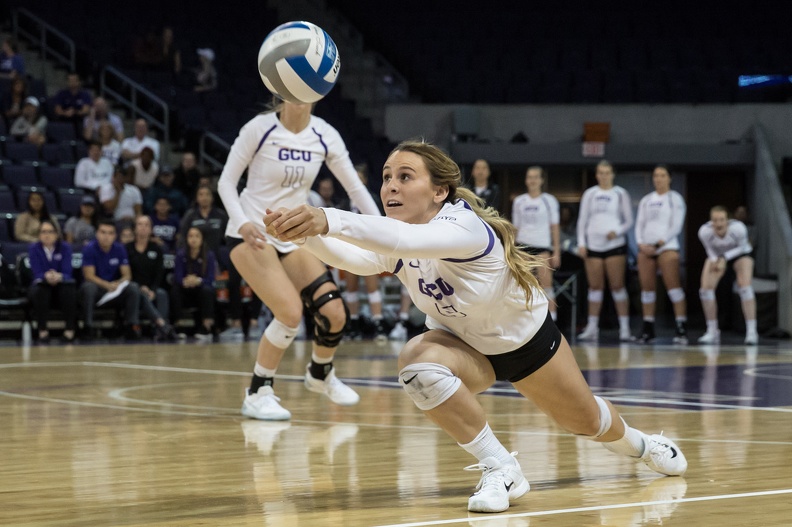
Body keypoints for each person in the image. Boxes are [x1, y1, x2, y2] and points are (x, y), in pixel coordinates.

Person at [264, 140, 687, 513]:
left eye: (405, 176)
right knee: (416, 362)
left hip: (526, 344)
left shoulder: (461, 225)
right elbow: (358, 258)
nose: (390, 185)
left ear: (439, 191)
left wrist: (325, 218)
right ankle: (501, 467)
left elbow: (399, 242)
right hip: (463, 347)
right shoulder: (402, 235)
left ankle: (643, 445)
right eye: (387, 176)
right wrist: (302, 233)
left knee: (588, 423)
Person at [217, 98, 381, 420]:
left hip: (292, 234)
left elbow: (356, 189)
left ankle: (320, 373)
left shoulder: (325, 134)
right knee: (290, 313)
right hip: (250, 231)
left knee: (334, 311)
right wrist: (242, 222)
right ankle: (257, 391)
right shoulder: (260, 128)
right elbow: (225, 182)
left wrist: (383, 231)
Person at [576, 160, 634, 342]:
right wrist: (581, 243)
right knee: (595, 287)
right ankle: (592, 328)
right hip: (593, 245)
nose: (604, 175)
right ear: (596, 175)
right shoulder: (590, 194)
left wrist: (616, 231)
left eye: (607, 172)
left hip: (614, 245)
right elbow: (582, 219)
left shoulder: (620, 193)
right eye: (600, 172)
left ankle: (625, 328)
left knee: (617, 286)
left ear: (613, 174)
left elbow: (629, 221)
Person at [634, 165, 688, 343]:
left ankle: (681, 326)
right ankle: (648, 327)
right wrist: (641, 243)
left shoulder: (675, 198)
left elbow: (676, 225)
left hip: (666, 247)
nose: (658, 179)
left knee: (673, 287)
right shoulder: (647, 200)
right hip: (646, 248)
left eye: (662, 175)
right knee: (647, 289)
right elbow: (640, 224)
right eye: (656, 175)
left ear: (669, 178)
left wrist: (660, 243)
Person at [338, 163, 387, 340]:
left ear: (364, 181)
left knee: (371, 287)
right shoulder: (343, 203)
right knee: (351, 288)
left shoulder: (372, 200)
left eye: (359, 178)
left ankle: (378, 323)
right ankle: (353, 323)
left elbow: (379, 224)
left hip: (368, 249)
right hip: (350, 249)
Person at [697, 205, 758, 345]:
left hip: (740, 254)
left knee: (744, 286)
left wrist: (724, 258)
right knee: (705, 289)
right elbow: (709, 249)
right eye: (715, 220)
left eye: (721, 220)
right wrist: (715, 261)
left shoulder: (738, 229)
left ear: (727, 220)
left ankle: (751, 331)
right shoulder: (704, 232)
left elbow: (743, 247)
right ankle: (712, 331)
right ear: (711, 221)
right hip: (718, 256)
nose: (718, 224)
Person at [511, 166, 561, 321]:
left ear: (541, 180)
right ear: (526, 180)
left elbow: (555, 227)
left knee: (547, 287)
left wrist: (557, 252)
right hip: (523, 248)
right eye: (529, 177)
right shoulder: (519, 201)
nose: (532, 180)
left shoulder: (549, 200)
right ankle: (524, 322)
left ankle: (552, 322)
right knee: (522, 287)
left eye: (535, 177)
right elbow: (515, 228)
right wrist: (511, 251)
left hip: (542, 249)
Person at [79, 219, 141, 340]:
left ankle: (131, 326)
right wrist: (106, 285)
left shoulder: (119, 249)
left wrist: (117, 283)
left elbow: (127, 275)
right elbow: (89, 276)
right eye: (103, 232)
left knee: (133, 287)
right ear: (97, 233)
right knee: (88, 287)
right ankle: (88, 326)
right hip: (98, 289)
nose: (106, 236)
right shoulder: (89, 249)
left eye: (110, 233)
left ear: (115, 235)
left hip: (113, 290)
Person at [125, 215, 176, 340]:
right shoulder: (127, 248)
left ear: (151, 229)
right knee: (138, 292)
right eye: (140, 224)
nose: (143, 227)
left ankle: (158, 329)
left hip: (152, 287)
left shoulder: (156, 249)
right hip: (132, 288)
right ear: (134, 228)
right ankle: (162, 326)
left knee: (162, 294)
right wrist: (140, 287)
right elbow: (125, 272)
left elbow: (160, 273)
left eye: (146, 225)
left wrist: (152, 289)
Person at [27, 220, 77, 343]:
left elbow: (67, 271)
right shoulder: (34, 248)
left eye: (50, 232)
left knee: (69, 289)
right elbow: (36, 272)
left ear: (56, 234)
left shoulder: (65, 247)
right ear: (39, 235)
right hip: (42, 285)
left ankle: (70, 329)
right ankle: (42, 330)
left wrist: (58, 276)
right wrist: (46, 276)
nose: (47, 235)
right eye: (43, 232)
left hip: (61, 284)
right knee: (41, 290)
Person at [171, 226, 217, 340]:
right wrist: (185, 281)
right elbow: (177, 276)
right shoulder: (181, 254)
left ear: (202, 239)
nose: (193, 239)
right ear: (186, 238)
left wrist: (198, 280)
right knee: (175, 289)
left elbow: (211, 278)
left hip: (200, 290)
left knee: (208, 290)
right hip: (185, 289)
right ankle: (179, 325)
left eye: (197, 236)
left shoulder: (209, 255)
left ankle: (206, 326)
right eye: (190, 236)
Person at [178, 184, 228, 253]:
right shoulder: (190, 215)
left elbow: (227, 237)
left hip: (217, 254)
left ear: (212, 198)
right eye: (201, 195)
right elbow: (183, 236)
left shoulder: (221, 215)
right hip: (195, 254)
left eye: (207, 194)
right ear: (196, 198)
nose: (204, 198)